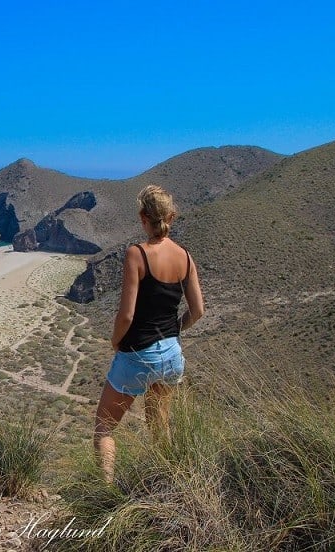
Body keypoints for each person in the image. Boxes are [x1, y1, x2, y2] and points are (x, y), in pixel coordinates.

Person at [94, 185, 204, 481]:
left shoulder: (136, 254)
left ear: (143, 217)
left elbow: (126, 314)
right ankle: (170, 485)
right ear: (172, 216)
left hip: (137, 356)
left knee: (104, 427)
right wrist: (172, 331)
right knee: (159, 425)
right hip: (171, 356)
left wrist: (115, 342)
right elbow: (198, 311)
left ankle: (103, 495)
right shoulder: (185, 257)